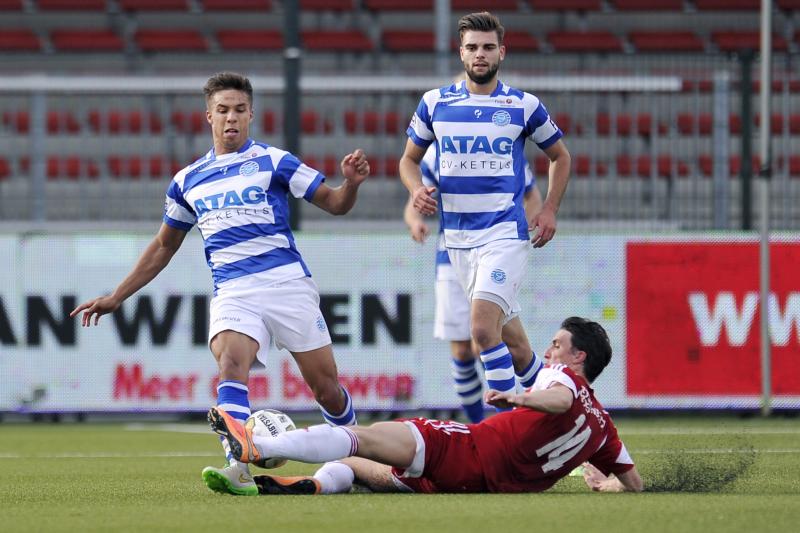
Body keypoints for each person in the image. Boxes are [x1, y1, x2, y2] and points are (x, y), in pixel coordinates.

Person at [70, 72, 370, 496]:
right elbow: (163, 246)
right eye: (223, 110)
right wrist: (117, 296)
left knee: (326, 388)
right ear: (208, 116)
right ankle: (239, 466)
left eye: (240, 110)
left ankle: (361, 453)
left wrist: (351, 185)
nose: (232, 118)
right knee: (231, 362)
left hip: (287, 284)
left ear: (251, 115)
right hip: (234, 290)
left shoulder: (275, 161)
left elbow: (335, 204)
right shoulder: (187, 180)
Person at [208, 317, 643, 495]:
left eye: (557, 345)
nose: (549, 352)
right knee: (362, 465)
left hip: (468, 451)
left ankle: (258, 445)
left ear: (578, 357)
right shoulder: (604, 428)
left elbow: (561, 398)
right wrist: (611, 486)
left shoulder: (563, 378)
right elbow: (635, 482)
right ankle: (311, 485)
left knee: (364, 437)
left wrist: (519, 396)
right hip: (476, 486)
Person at [398, 12, 572, 406]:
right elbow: (407, 161)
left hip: (503, 236)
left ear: (501, 53)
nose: (480, 54)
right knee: (520, 350)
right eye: (473, 47)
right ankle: (570, 416)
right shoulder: (435, 103)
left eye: (488, 47)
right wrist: (416, 190)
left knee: (480, 330)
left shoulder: (523, 105)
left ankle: (506, 434)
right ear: (461, 53)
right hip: (457, 243)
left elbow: (560, 156)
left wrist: (548, 209)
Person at [403, 143, 544, 422]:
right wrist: (415, 221)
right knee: (463, 349)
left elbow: (533, 196)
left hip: (495, 252)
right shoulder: (437, 152)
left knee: (500, 342)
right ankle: (483, 427)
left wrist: (519, 228)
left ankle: (541, 415)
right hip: (452, 258)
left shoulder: (502, 143)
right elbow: (413, 203)